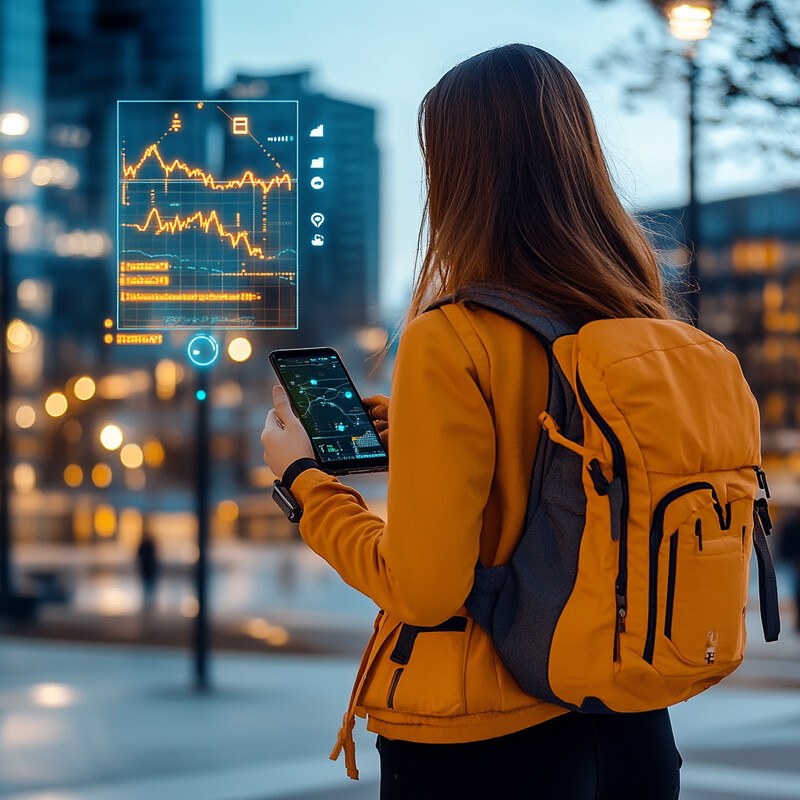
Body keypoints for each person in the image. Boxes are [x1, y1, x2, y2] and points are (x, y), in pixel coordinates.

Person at [261, 43, 682, 800]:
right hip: (634, 731)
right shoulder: (637, 326)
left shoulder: (451, 336)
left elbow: (423, 590)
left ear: (458, 176)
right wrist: (422, 429)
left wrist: (305, 485)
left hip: (490, 741)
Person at [136, 533, 159, 614]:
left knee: (146, 586)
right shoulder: (150, 545)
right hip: (150, 568)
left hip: (145, 568)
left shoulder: (143, 545)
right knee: (150, 586)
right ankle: (150, 604)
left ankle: (147, 604)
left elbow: (138, 554)